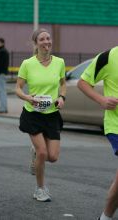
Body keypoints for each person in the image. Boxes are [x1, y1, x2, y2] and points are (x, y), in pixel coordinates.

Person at [16, 28, 66, 202]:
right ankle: (40, 189)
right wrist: (28, 98)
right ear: (36, 44)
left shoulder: (59, 62)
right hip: (33, 113)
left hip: (52, 114)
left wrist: (62, 97)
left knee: (53, 157)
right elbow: (18, 88)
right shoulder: (27, 64)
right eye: (42, 39)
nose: (46, 42)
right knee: (43, 152)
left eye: (48, 38)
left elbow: (63, 84)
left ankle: (35, 154)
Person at [77, 47, 118, 220]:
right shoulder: (108, 57)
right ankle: (106, 217)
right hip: (116, 125)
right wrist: (102, 99)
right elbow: (82, 83)